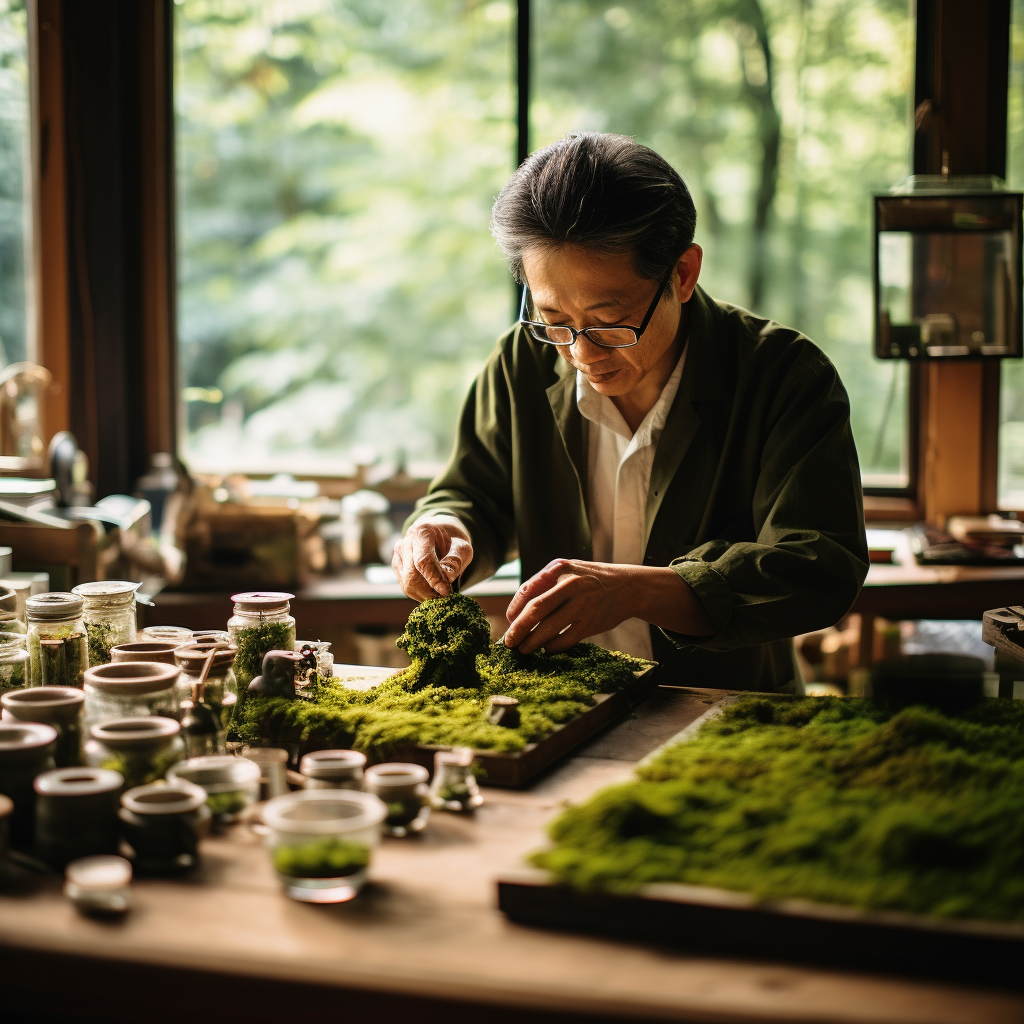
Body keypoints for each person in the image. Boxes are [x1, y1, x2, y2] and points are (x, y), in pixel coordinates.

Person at [392, 132, 868, 692]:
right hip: (563, 701)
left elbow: (817, 565)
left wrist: (639, 591)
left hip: (726, 706)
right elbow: (473, 493)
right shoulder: (524, 360)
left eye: (608, 320)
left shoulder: (783, 376)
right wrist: (446, 528)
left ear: (683, 274)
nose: (580, 352)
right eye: (554, 318)